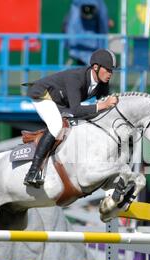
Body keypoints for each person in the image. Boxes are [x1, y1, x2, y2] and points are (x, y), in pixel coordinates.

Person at [23, 48, 118, 187]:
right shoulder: (76, 78)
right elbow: (77, 110)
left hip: (62, 103)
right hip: (43, 95)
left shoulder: (103, 83)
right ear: (96, 67)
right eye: (108, 70)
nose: (110, 74)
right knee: (56, 125)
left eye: (112, 71)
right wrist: (103, 105)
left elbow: (102, 108)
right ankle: (33, 171)